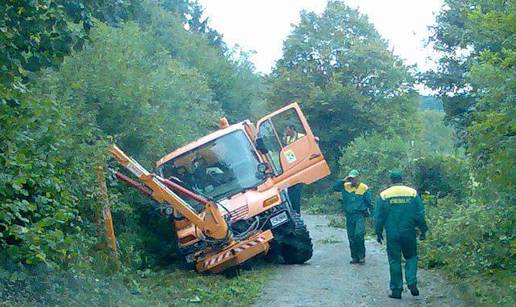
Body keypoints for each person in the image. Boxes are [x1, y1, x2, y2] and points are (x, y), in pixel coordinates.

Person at [374, 169, 428, 299]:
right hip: (408, 232)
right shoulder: (412, 193)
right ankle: (411, 282)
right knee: (411, 257)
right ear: (401, 179)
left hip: (392, 233)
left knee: (394, 260)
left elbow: (379, 217)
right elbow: (419, 214)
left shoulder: (384, 195)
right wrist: (423, 229)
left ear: (391, 180)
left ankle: (397, 290)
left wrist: (378, 232)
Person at [333, 169, 372, 264]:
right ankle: (354, 257)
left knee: (359, 234)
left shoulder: (364, 188)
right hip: (349, 215)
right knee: (351, 237)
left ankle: (361, 256)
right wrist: (344, 180)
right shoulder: (345, 186)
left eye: (353, 178)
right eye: (350, 178)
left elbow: (369, 202)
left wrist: (370, 212)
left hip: (359, 215)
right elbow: (335, 187)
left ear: (357, 178)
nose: (352, 180)